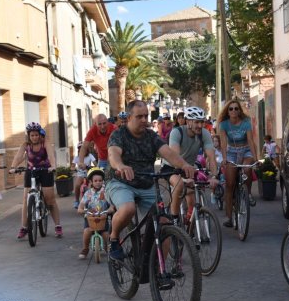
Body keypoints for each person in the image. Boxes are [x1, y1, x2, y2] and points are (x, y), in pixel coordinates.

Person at [106, 100, 195, 261]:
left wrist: (184, 165)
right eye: (139, 116)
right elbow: (113, 154)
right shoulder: (119, 134)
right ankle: (113, 239)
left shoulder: (151, 136)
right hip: (121, 183)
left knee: (164, 224)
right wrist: (120, 166)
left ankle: (158, 271)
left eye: (146, 116)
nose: (144, 120)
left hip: (147, 183)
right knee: (128, 209)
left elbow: (168, 152)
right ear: (129, 118)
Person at [161, 106, 219, 218]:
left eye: (202, 122)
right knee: (179, 185)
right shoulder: (176, 132)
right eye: (197, 122)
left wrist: (213, 176)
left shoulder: (204, 133)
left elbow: (211, 156)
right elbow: (175, 156)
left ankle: (190, 221)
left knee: (193, 191)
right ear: (188, 122)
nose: (200, 126)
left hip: (190, 167)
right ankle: (174, 220)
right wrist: (182, 177)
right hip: (172, 167)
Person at [9, 122, 63, 238]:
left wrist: (53, 166)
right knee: (25, 199)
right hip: (31, 171)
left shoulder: (45, 143)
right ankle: (24, 227)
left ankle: (57, 225)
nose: (34, 137)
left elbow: (51, 156)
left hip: (45, 171)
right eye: (32, 135)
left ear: (40, 135)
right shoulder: (25, 145)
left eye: (36, 135)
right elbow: (18, 156)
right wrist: (13, 167)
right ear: (28, 135)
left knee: (50, 199)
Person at [218, 99, 258, 228]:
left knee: (247, 169)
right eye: (231, 109)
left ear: (239, 110)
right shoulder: (223, 124)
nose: (234, 111)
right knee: (229, 184)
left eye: (236, 108)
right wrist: (224, 158)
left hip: (245, 149)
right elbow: (223, 143)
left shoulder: (246, 122)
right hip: (231, 153)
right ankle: (230, 217)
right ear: (227, 112)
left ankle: (248, 193)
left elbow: (251, 140)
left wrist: (255, 158)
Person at [76, 167, 112, 259]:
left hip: (103, 217)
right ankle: (85, 249)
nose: (98, 182)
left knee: (105, 234)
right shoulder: (88, 193)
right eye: (95, 181)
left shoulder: (106, 192)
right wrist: (82, 210)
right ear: (91, 182)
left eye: (100, 180)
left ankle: (107, 248)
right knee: (87, 232)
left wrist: (110, 209)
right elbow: (80, 207)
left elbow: (112, 205)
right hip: (90, 218)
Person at [72, 141, 96, 209]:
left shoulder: (90, 156)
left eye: (83, 148)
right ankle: (77, 200)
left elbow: (96, 164)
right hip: (80, 174)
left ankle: (94, 200)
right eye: (79, 148)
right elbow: (72, 166)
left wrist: (90, 167)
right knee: (77, 185)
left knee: (92, 185)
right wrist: (74, 168)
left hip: (89, 173)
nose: (81, 150)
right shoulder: (76, 157)